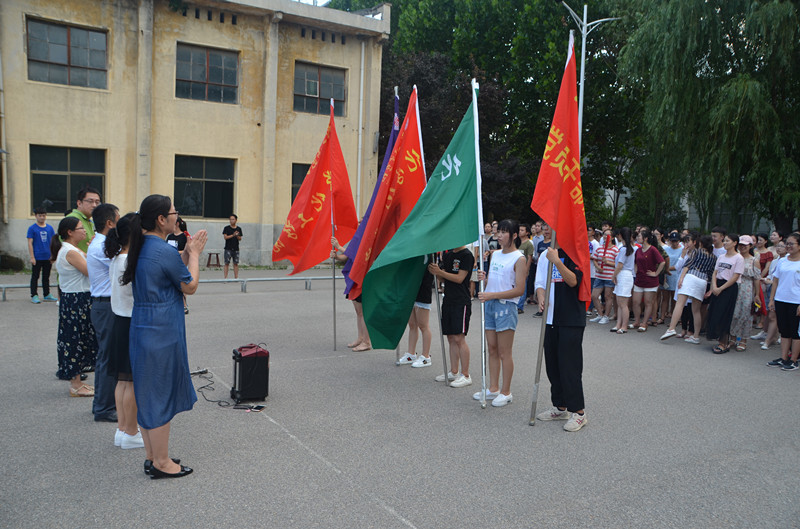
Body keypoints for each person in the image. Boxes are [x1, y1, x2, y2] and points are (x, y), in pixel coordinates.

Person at [123, 195, 208, 479]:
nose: (176, 217)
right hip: (161, 330)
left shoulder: (144, 245)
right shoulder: (162, 250)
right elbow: (189, 285)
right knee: (160, 393)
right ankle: (161, 462)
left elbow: (169, 271)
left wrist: (186, 253)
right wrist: (194, 255)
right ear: (161, 219)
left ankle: (152, 456)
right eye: (173, 213)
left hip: (143, 327)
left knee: (148, 392)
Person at [534, 245, 588, 431]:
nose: (547, 230)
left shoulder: (575, 252)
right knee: (553, 366)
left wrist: (557, 261)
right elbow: (540, 282)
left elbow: (574, 281)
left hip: (570, 318)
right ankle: (560, 406)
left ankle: (579, 412)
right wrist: (541, 296)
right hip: (550, 319)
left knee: (570, 367)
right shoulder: (545, 254)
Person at [474, 219, 526, 407]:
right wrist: (484, 279)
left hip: (506, 307)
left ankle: (506, 392)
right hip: (490, 304)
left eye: (504, 232)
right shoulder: (495, 255)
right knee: (492, 348)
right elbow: (493, 281)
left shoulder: (519, 258)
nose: (500, 235)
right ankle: (493, 388)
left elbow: (519, 290)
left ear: (514, 235)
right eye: (499, 232)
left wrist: (493, 295)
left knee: (505, 352)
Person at [104, 213, 144, 449]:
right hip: (131, 322)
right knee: (132, 382)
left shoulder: (116, 258)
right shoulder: (131, 261)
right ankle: (131, 431)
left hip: (119, 321)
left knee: (122, 381)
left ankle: (122, 429)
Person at [52, 216, 97, 397]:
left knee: (80, 339)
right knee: (74, 341)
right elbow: (90, 271)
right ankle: (75, 385)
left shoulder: (73, 249)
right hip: (76, 301)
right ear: (70, 232)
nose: (84, 230)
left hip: (78, 299)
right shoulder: (70, 251)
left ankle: (78, 382)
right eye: (80, 228)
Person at [87, 203, 120, 423]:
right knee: (108, 358)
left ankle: (102, 403)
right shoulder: (102, 247)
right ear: (110, 223)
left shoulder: (101, 243)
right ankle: (104, 407)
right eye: (118, 220)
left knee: (106, 357)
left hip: (105, 305)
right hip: (106, 306)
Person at [428, 244, 474, 388]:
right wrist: (436, 273)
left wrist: (440, 272)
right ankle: (454, 371)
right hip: (448, 299)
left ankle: (466, 375)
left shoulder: (467, 255)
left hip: (461, 301)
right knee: (450, 337)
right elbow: (445, 279)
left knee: (459, 337)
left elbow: (460, 278)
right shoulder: (448, 255)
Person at [660, 233, 716, 344]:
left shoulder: (696, 251)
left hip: (691, 276)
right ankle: (695, 336)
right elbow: (712, 274)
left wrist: (681, 278)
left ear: (701, 243)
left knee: (680, 303)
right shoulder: (714, 257)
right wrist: (710, 289)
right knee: (696, 310)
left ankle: (671, 328)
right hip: (703, 281)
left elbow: (687, 265)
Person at [766, 232, 800, 370]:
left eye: (792, 244)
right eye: (787, 244)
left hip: (796, 302)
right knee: (784, 330)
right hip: (781, 299)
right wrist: (772, 299)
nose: (788, 246)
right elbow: (775, 281)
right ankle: (784, 357)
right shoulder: (782, 261)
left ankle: (793, 360)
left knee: (795, 332)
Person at [331, 237, 372, 352]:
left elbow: (358, 256)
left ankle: (367, 342)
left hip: (362, 277)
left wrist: (339, 247)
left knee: (364, 312)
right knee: (359, 312)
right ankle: (360, 338)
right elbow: (346, 256)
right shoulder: (357, 238)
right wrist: (336, 256)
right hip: (353, 277)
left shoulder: (368, 237)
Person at [706, 233, 744, 354]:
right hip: (718, 285)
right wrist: (714, 286)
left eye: (728, 241)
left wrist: (721, 288)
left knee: (725, 314)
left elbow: (735, 276)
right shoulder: (721, 256)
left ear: (735, 243)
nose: (725, 243)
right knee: (714, 312)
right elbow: (715, 272)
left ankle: (724, 342)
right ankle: (717, 338)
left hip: (729, 287)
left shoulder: (739, 258)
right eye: (725, 241)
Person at [630, 228, 665, 332]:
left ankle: (644, 323)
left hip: (650, 281)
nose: (637, 238)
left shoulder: (653, 249)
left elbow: (662, 262)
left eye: (639, 236)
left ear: (645, 238)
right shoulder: (638, 250)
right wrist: (636, 270)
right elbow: (635, 262)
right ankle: (637, 321)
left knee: (648, 302)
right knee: (635, 301)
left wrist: (656, 273)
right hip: (639, 280)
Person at [400, 265, 434, 368]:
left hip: (423, 289)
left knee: (423, 325)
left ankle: (426, 356)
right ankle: (411, 354)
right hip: (411, 289)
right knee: (412, 324)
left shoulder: (428, 257)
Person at [729, 235, 759, 350]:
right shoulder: (735, 257)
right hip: (734, 286)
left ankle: (743, 340)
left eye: (745, 245)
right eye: (740, 244)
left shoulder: (754, 261)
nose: (742, 247)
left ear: (750, 246)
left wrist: (756, 294)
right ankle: (732, 337)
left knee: (745, 313)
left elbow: (756, 279)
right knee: (733, 313)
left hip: (747, 288)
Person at [27, 207, 57, 303]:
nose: (42, 217)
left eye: (44, 215)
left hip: (48, 256)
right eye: (40, 215)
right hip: (37, 257)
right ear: (36, 216)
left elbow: (53, 242)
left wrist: (53, 255)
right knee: (35, 276)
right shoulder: (32, 228)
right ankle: (34, 295)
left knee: (46, 277)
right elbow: (30, 243)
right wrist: (32, 257)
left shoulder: (49, 228)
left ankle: (47, 294)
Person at [589, 228, 618, 324]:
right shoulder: (599, 248)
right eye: (604, 235)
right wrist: (598, 267)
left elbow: (618, 264)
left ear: (612, 237)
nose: (605, 237)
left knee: (608, 296)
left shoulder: (615, 249)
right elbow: (595, 259)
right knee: (594, 296)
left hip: (609, 276)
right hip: (599, 276)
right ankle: (600, 315)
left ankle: (606, 316)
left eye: (608, 235)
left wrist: (607, 262)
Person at [611, 227, 635, 334]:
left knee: (623, 303)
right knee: (620, 302)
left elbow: (620, 265)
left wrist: (613, 276)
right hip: (623, 275)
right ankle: (618, 324)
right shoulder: (627, 248)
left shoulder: (625, 249)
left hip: (624, 275)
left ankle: (624, 326)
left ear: (620, 236)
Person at [66, 187, 101, 253]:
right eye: (90, 201)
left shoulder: (89, 220)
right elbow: (66, 245)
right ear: (79, 203)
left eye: (97, 202)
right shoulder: (72, 219)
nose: (94, 205)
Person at [168, 217, 190, 314]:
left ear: (177, 223)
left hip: (181, 263)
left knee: (182, 284)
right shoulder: (170, 236)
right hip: (170, 263)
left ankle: (184, 305)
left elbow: (187, 250)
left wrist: (177, 252)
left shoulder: (184, 236)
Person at [515, 223, 534, 314]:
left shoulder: (529, 244)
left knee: (523, 287)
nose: (520, 232)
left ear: (527, 232)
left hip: (523, 268)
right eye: (519, 230)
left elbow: (529, 258)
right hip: (515, 268)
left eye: (522, 230)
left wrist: (526, 270)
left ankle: (520, 306)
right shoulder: (516, 242)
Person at [223, 214, 242, 279]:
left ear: (236, 220)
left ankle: (236, 278)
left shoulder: (239, 229)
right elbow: (225, 237)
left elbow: (240, 238)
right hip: (228, 248)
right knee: (226, 263)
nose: (231, 221)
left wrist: (237, 235)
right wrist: (233, 235)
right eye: (230, 219)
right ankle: (225, 278)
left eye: (233, 219)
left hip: (236, 248)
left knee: (236, 263)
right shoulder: (226, 228)